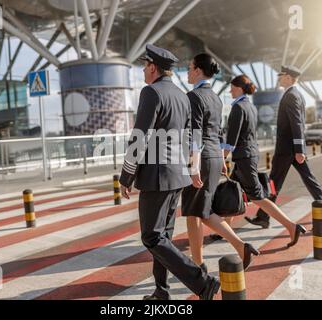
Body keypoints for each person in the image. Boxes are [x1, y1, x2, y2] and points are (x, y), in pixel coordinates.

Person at [119, 44, 220, 300]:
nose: (143, 70)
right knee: (163, 236)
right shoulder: (182, 95)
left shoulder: (151, 93)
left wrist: (126, 176)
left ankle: (202, 282)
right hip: (177, 176)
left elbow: (140, 137)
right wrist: (191, 168)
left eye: (144, 66)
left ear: (153, 67)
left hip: (157, 176)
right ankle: (161, 291)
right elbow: (190, 137)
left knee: (152, 237)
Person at [183, 53, 260, 272]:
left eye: (189, 67)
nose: (188, 72)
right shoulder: (215, 97)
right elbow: (217, 131)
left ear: (198, 70)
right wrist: (220, 158)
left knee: (195, 212)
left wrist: (193, 165)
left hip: (202, 158)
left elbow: (195, 134)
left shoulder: (194, 96)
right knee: (200, 210)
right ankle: (230, 249)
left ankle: (200, 264)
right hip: (214, 156)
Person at [245, 66, 322, 230]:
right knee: (302, 182)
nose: (279, 79)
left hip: (287, 151)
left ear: (288, 78)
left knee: (275, 183)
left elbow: (297, 124)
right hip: (291, 150)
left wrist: (299, 150)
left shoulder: (291, 96)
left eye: (281, 76)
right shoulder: (295, 95)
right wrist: (298, 149)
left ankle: (263, 217)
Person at [225, 75, 307, 247]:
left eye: (232, 87)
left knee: (258, 198)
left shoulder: (238, 107)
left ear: (239, 87)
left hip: (244, 158)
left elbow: (231, 140)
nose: (230, 90)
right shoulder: (250, 106)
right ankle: (225, 230)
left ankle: (291, 226)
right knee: (232, 193)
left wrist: (221, 157)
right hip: (247, 156)